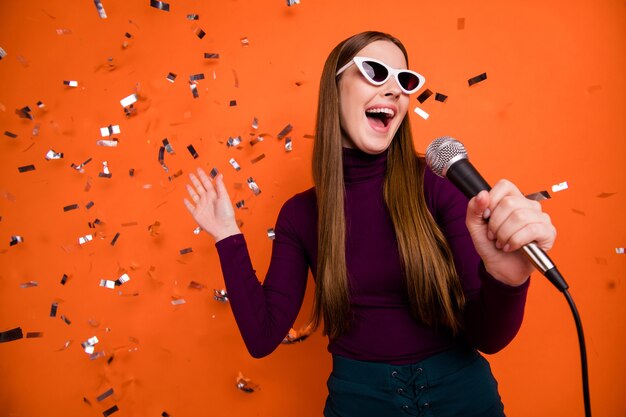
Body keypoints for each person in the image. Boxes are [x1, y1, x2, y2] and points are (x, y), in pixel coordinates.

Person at [183, 31, 556, 417]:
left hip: (463, 397)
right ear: (335, 88)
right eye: (375, 72)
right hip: (359, 402)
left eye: (404, 81)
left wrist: (508, 282)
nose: (394, 90)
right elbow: (262, 337)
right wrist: (227, 235)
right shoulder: (300, 215)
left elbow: (489, 338)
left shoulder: (439, 185)